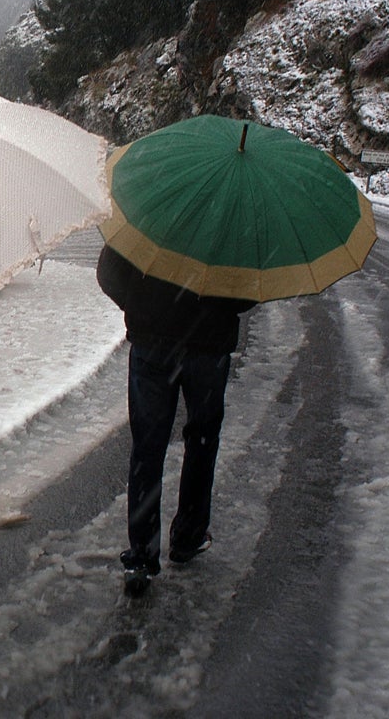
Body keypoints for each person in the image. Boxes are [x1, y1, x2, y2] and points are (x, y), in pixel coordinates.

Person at [96, 244, 255, 597]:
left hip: (152, 345)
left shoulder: (152, 207)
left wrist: (140, 306)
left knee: (147, 449)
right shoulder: (232, 221)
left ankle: (141, 556)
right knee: (201, 442)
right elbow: (249, 291)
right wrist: (216, 305)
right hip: (208, 349)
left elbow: (109, 273)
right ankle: (187, 538)